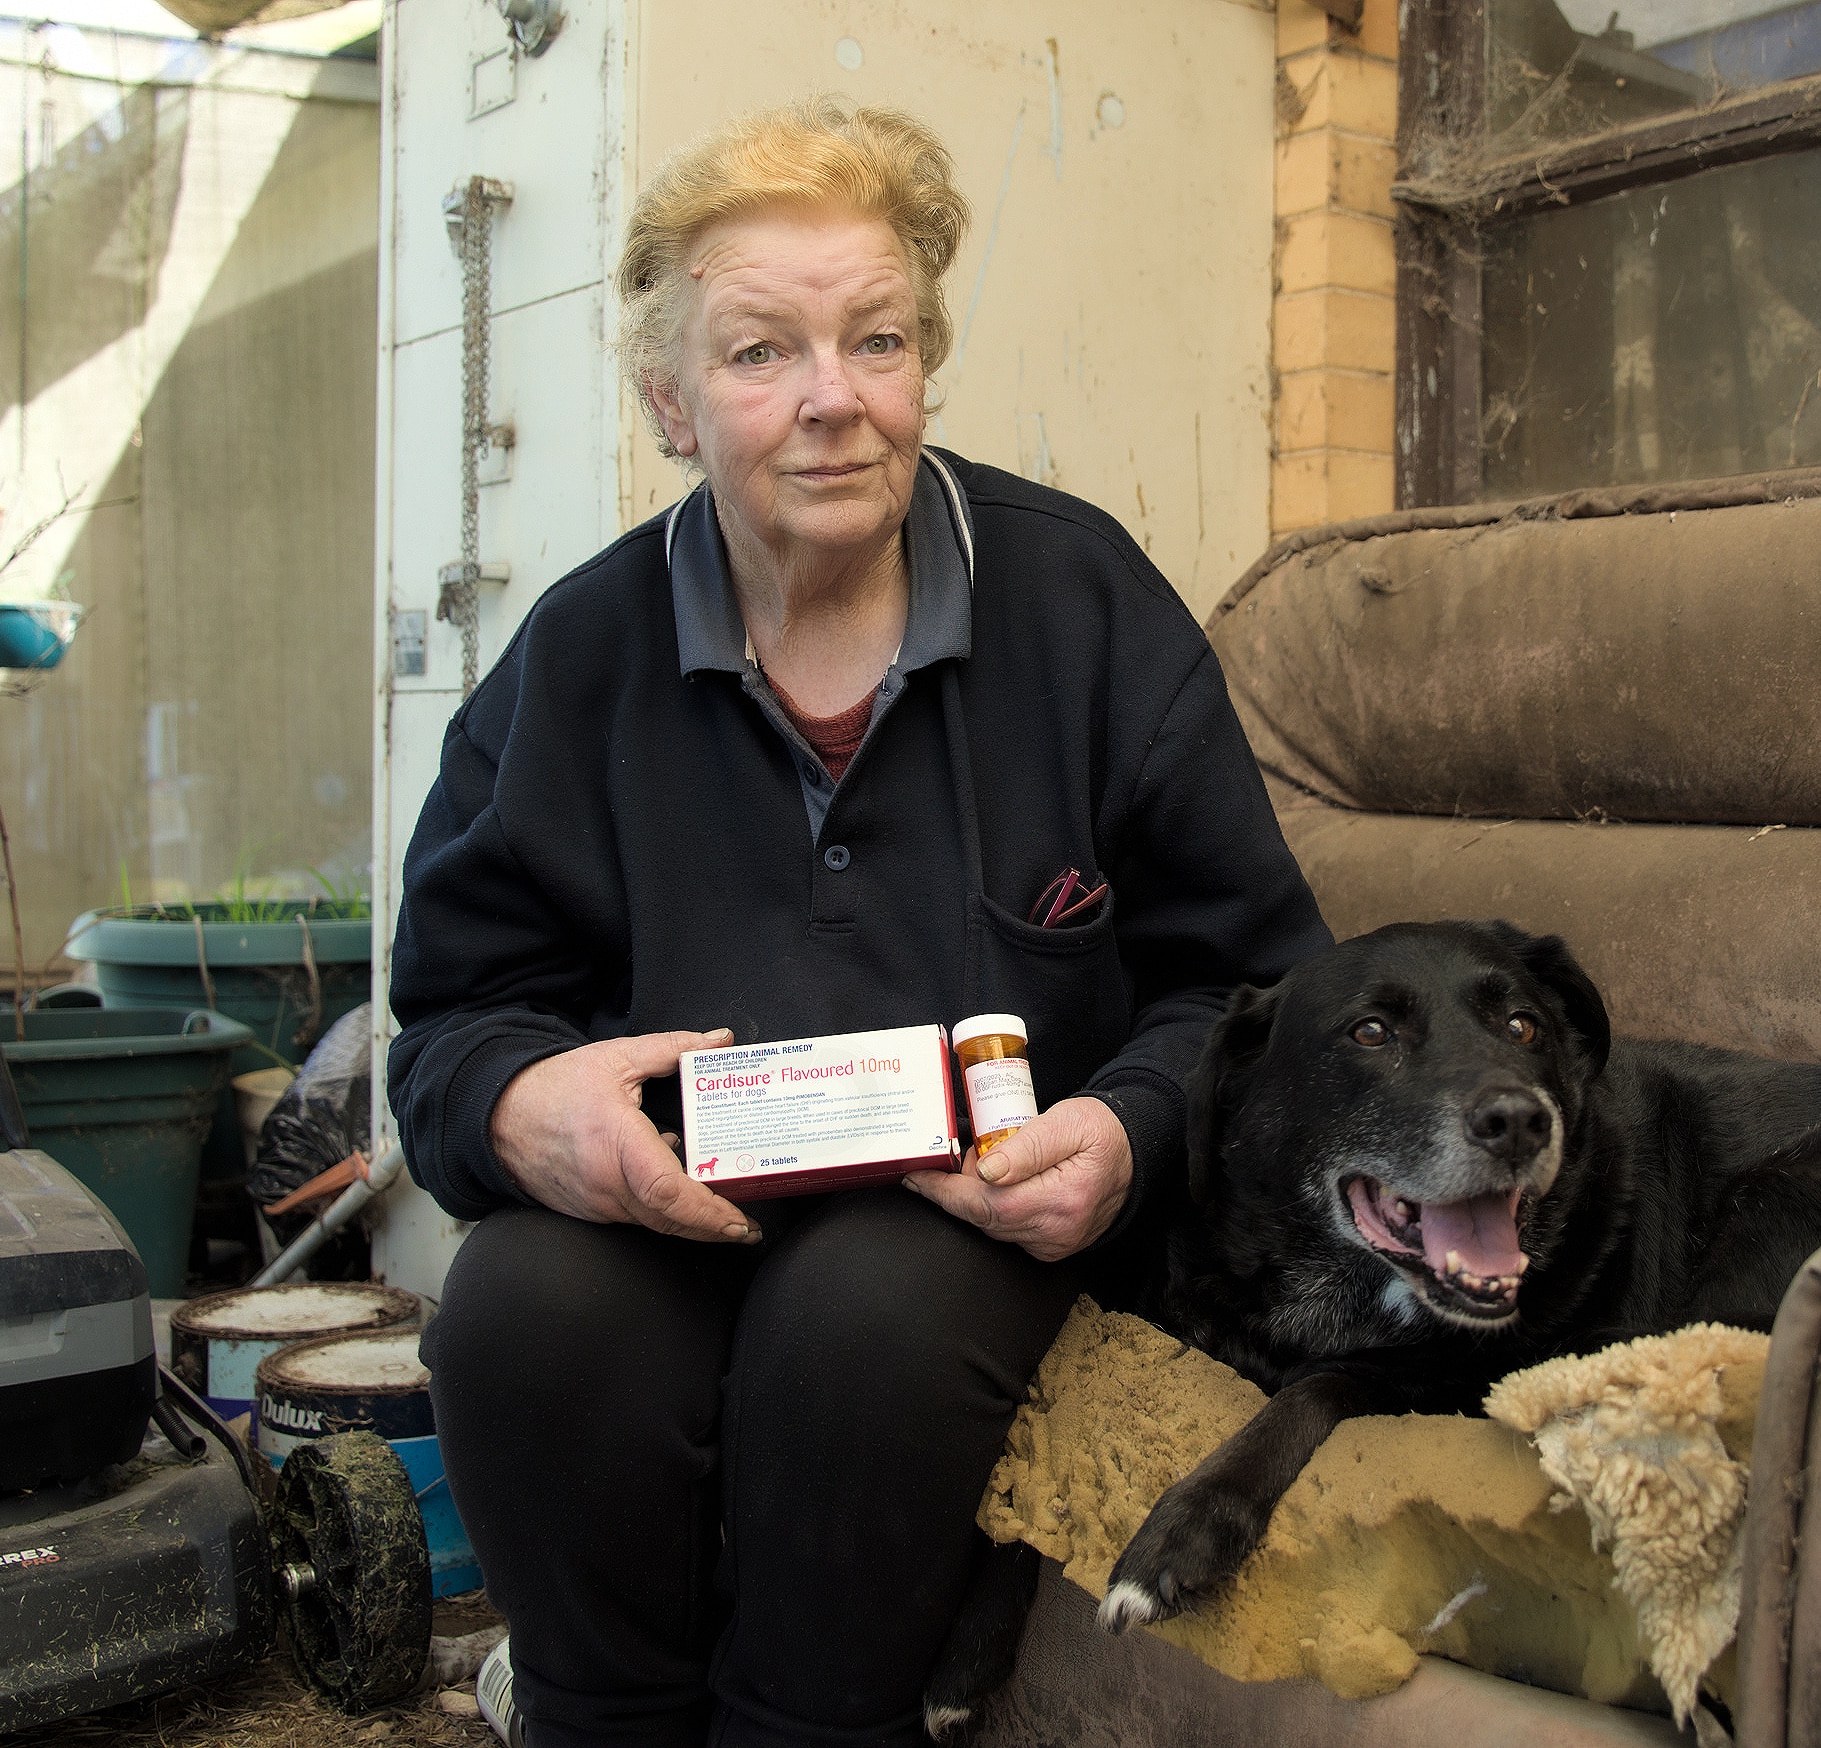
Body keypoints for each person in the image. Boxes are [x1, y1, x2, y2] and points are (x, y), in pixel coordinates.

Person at [389, 98, 1331, 1748]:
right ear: (670, 403)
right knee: (521, 1310)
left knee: (867, 1319)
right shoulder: (579, 655)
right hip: (666, 1210)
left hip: (975, 1225)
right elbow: (457, 1024)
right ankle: (593, 1718)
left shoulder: (1081, 602)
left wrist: (1127, 1127)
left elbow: (1256, 984)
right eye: (762, 353)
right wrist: (526, 1110)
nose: (834, 398)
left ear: (923, 363)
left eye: (876, 339)